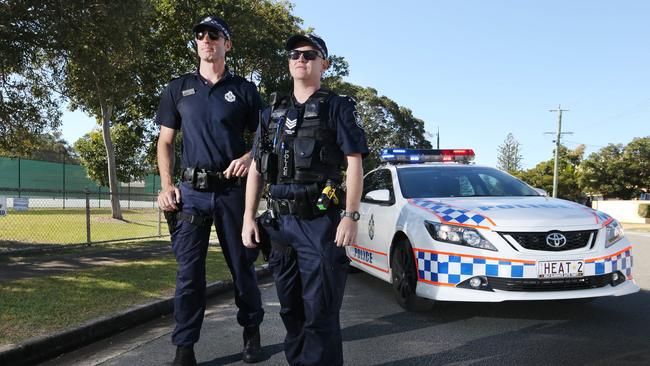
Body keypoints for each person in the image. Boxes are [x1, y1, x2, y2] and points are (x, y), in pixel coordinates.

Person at [242, 33, 368, 366]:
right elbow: (256, 167)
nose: (301, 59)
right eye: (295, 54)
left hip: (320, 223)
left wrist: (350, 216)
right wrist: (247, 218)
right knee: (291, 310)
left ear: (324, 63)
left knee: (321, 312)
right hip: (281, 225)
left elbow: (354, 162)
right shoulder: (272, 113)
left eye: (310, 54)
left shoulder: (337, 107)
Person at [156, 16, 265, 366]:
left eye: (214, 35)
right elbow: (165, 142)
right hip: (191, 193)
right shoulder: (178, 88)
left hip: (233, 193)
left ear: (226, 44)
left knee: (242, 267)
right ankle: (184, 347)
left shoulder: (245, 90)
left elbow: (265, 138)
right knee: (189, 275)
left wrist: (250, 157)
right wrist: (167, 185)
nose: (206, 40)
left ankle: (251, 330)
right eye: (200, 35)